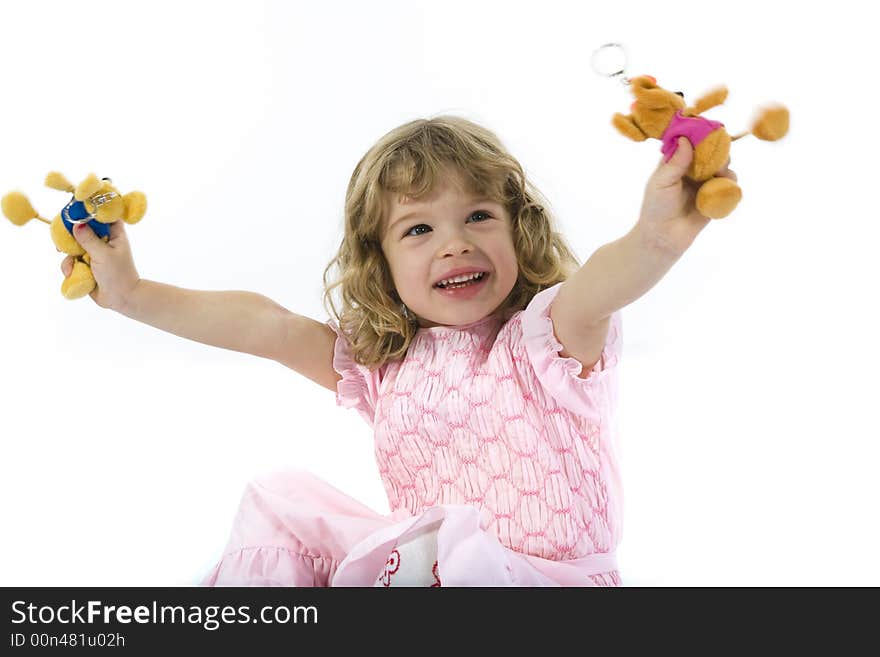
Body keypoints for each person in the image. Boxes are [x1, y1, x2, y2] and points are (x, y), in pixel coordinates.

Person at [64, 116, 734, 587]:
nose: (455, 243)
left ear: (517, 230)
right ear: (380, 264)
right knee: (287, 504)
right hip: (427, 580)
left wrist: (656, 237)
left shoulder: (550, 338)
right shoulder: (384, 366)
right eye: (419, 227)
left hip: (545, 585)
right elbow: (262, 325)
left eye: (478, 216)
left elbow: (605, 281)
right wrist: (132, 294)